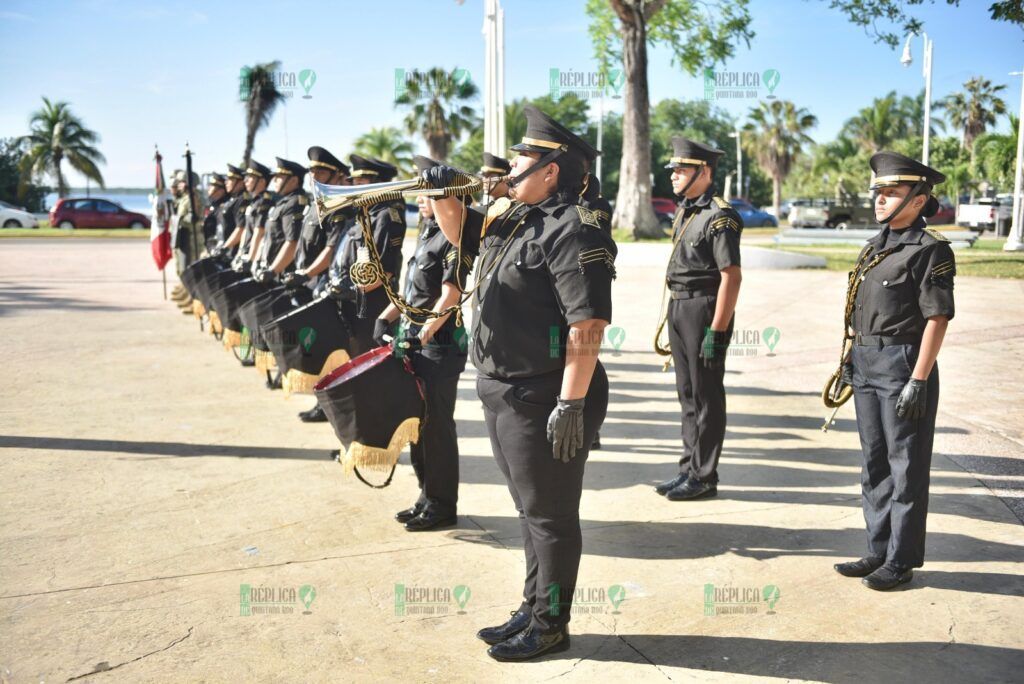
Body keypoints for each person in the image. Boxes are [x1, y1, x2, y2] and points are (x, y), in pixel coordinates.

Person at [428, 105, 616, 661]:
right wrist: (443, 195)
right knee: (528, 511)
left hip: (544, 394)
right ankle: (534, 605)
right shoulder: (514, 216)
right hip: (501, 387)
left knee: (551, 518)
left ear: (551, 168)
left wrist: (571, 404)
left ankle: (551, 622)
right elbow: (460, 233)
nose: (510, 165)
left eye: (521, 157)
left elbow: (588, 325)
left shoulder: (574, 228)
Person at [833, 151, 954, 591]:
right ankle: (878, 548)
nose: (881, 200)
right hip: (866, 362)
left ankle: (901, 560)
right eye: (878, 192)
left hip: (904, 365)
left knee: (907, 466)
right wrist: (852, 359)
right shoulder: (874, 246)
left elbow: (937, 318)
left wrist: (919, 378)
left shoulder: (930, 250)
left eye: (891, 193)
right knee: (874, 462)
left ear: (919, 200)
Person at [375, 155, 474, 532]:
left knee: (437, 429)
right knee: (418, 425)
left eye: (427, 191)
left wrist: (422, 333)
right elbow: (409, 293)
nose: (419, 197)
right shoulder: (428, 234)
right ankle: (425, 495)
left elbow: (450, 295)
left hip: (440, 345)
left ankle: (442, 504)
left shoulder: (454, 236)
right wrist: (387, 319)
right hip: (415, 341)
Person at [653, 137, 743, 502]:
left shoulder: (720, 216)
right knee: (687, 394)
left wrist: (717, 331)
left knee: (706, 396)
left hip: (704, 310)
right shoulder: (687, 210)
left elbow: (731, 276)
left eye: (681, 169)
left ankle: (705, 476)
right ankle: (688, 468)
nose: (673, 176)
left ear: (703, 171)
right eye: (673, 169)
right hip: (679, 307)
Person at [170, 169, 206, 312]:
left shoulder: (193, 198)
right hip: (184, 237)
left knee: (191, 271)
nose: (178, 185)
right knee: (184, 269)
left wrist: (180, 220)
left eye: (182, 182)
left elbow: (194, 219)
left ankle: (195, 302)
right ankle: (189, 297)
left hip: (193, 239)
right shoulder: (186, 198)